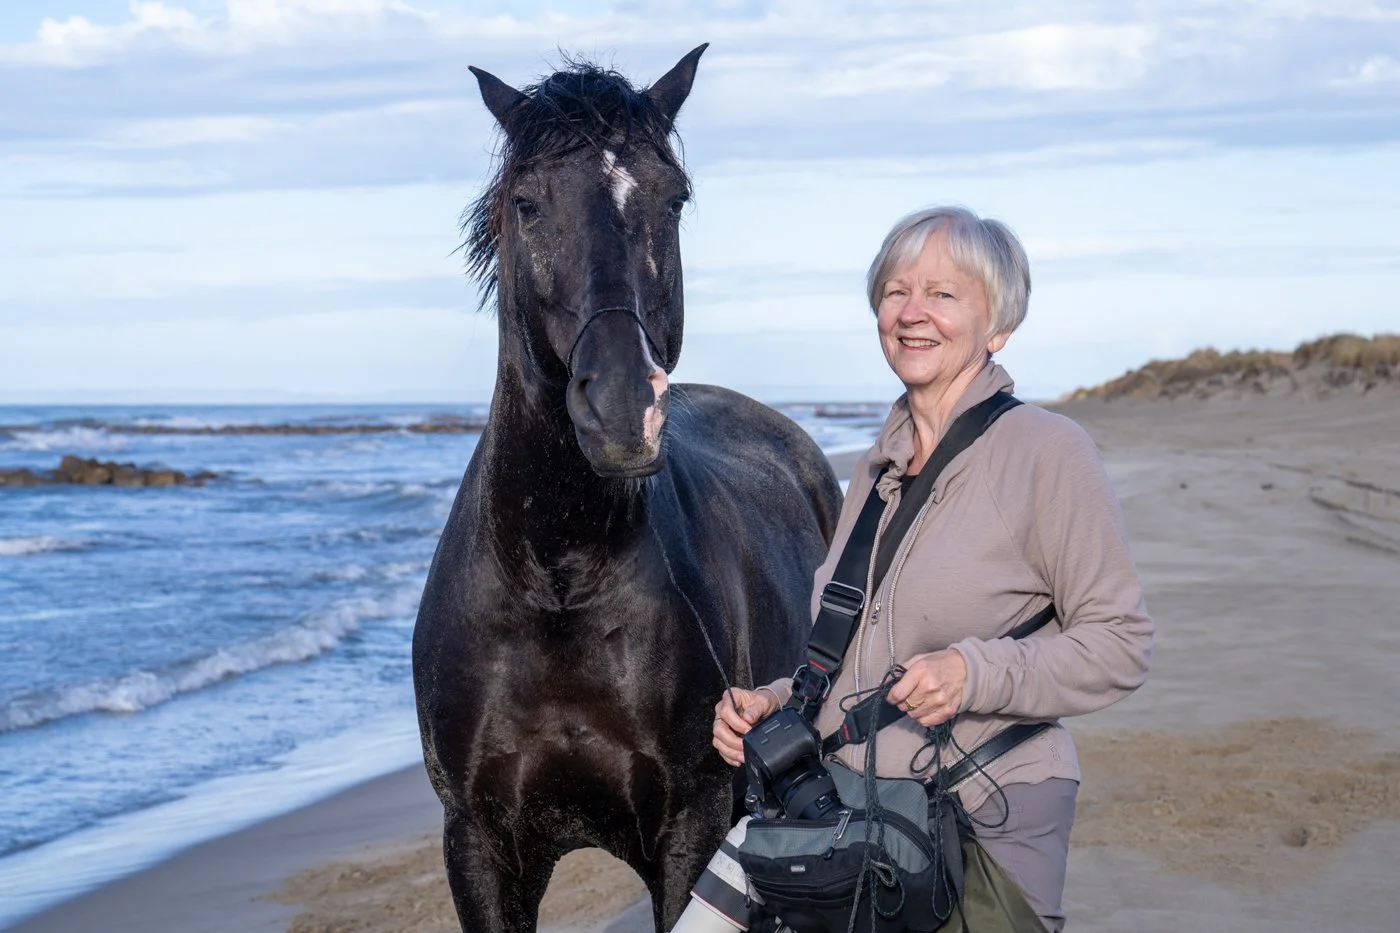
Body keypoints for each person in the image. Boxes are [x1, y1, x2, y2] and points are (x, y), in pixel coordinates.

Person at [685, 206, 1154, 933]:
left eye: (943, 294)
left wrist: (974, 673)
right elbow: (854, 656)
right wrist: (776, 702)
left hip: (984, 813)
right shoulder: (876, 469)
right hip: (844, 812)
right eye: (896, 291)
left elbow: (1121, 645)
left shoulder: (1048, 451)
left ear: (997, 326)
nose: (911, 312)